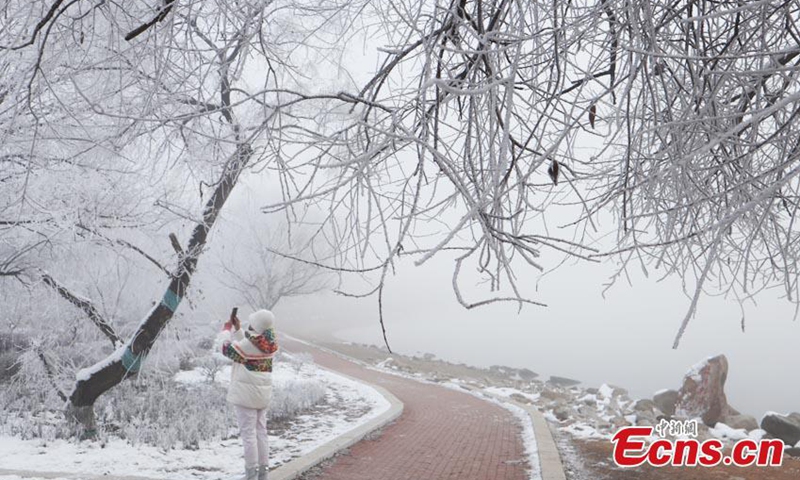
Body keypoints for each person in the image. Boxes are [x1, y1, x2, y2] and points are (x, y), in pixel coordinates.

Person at [216, 309, 279, 480]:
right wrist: (238, 330)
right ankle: (263, 474)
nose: (249, 325)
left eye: (252, 323)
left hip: (246, 395)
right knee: (261, 432)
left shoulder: (249, 346)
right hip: (262, 394)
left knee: (248, 434)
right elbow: (248, 345)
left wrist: (226, 329)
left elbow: (225, 348)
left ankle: (251, 474)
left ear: (256, 326)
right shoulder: (268, 341)